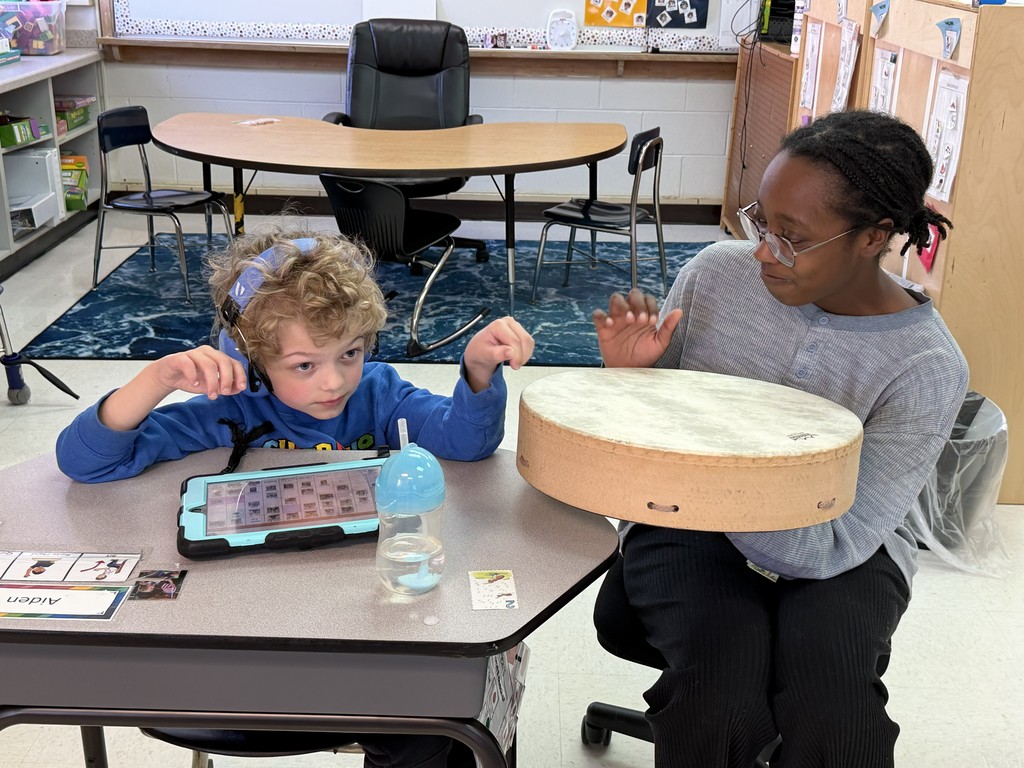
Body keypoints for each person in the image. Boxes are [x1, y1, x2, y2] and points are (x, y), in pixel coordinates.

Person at [56, 225, 534, 768]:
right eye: (305, 365)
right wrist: (156, 380)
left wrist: (477, 371)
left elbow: (465, 444)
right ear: (252, 359)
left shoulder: (378, 393)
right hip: (249, 641)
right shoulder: (229, 407)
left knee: (429, 730)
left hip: (364, 630)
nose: (334, 382)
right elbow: (86, 462)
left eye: (350, 352)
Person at [592, 110, 968, 768]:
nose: (764, 251)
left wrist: (717, 479)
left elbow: (837, 543)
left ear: (873, 236)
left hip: (844, 540)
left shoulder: (926, 365)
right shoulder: (715, 275)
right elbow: (646, 458)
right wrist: (633, 381)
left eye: (791, 238)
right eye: (761, 222)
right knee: (717, 684)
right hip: (688, 521)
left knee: (833, 705)